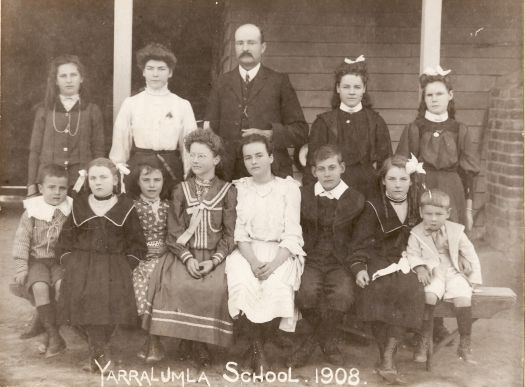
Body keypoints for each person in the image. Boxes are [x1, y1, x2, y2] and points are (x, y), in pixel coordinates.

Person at [143, 129, 237, 368]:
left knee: (216, 289)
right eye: (192, 156)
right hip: (183, 253)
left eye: (201, 156)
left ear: (216, 159)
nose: (195, 160)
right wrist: (187, 258)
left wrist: (214, 260)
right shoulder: (180, 190)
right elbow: (173, 232)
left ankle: (200, 343)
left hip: (216, 256)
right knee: (176, 283)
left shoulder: (228, 191)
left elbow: (230, 233)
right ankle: (189, 341)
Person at [56, 158, 146, 373]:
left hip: (114, 266)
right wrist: (70, 263)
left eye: (103, 177)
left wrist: (126, 266)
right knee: (81, 296)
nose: (98, 182)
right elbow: (65, 240)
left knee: (107, 298)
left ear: (115, 180)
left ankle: (97, 353)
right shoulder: (80, 205)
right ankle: (101, 351)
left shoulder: (125, 207)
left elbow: (137, 244)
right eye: (93, 178)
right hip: (82, 264)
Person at [225, 134, 305, 373]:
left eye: (259, 155)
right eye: (248, 157)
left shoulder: (288, 188)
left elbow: (292, 233)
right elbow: (239, 234)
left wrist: (272, 264)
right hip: (247, 251)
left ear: (271, 157)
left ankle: (257, 346)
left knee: (276, 285)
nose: (254, 161)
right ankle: (258, 350)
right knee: (242, 283)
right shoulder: (239, 188)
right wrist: (253, 262)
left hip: (281, 251)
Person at [349, 155, 426, 384]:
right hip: (379, 259)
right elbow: (360, 242)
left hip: (410, 259)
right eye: (392, 178)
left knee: (410, 287)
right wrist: (359, 267)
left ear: (411, 181)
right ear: (383, 181)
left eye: (403, 179)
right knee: (378, 287)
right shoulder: (373, 206)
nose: (398, 184)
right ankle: (386, 351)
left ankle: (389, 351)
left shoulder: (418, 205)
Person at [288, 144, 364, 368]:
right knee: (304, 294)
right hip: (311, 258)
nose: (327, 173)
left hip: (341, 260)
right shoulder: (304, 195)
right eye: (321, 169)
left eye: (332, 167)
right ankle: (327, 340)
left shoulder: (355, 199)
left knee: (342, 295)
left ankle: (312, 342)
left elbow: (359, 238)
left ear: (342, 168)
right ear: (313, 172)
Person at [204, 23, 308, 180]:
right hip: (229, 174)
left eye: (251, 43)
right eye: (240, 43)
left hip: (271, 171)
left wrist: (269, 134)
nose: (245, 48)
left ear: (263, 47)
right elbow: (209, 129)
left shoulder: (279, 82)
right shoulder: (221, 83)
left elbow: (300, 130)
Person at [395, 66, 480, 231]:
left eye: (439, 94)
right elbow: (400, 168)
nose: (434, 99)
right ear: (424, 99)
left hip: (453, 193)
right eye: (429, 95)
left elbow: (469, 174)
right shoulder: (414, 128)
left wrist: (468, 210)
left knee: (451, 239)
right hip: (422, 190)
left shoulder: (460, 129)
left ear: (450, 95)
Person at [110, 43, 197, 195]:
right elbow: (120, 145)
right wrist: (120, 179)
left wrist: (189, 177)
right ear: (143, 72)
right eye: (150, 69)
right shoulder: (131, 103)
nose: (155, 74)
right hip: (139, 169)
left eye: (161, 69)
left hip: (170, 169)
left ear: (170, 72)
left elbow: (189, 147)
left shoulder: (182, 105)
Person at [407, 189, 482, 365]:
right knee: (429, 295)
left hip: (452, 270)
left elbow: (469, 252)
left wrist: (474, 278)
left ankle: (465, 343)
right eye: (428, 214)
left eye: (439, 214)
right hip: (433, 272)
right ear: (421, 213)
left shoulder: (456, 231)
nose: (433, 219)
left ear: (448, 213)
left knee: (463, 297)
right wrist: (419, 268)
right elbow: (412, 254)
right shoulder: (416, 233)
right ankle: (424, 340)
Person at [303, 56, 392, 197]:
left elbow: (386, 164)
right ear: (338, 88)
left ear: (364, 89)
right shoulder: (323, 123)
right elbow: (312, 165)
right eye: (346, 87)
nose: (352, 92)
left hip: (368, 191)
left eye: (357, 87)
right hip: (332, 192)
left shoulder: (376, 122)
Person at [12, 164, 72, 358]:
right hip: (38, 260)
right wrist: (21, 267)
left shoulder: (69, 210)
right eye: (51, 187)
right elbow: (22, 241)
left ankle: (47, 334)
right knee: (39, 286)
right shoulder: (31, 211)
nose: (57, 193)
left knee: (62, 286)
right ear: (41, 187)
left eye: (62, 188)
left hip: (60, 261)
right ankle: (54, 336)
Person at [27, 55, 105, 197]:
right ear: (56, 81)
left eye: (73, 75)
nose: (69, 80)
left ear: (81, 78)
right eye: (63, 76)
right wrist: (31, 184)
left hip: (80, 183)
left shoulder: (92, 110)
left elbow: (98, 151)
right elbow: (35, 151)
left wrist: (96, 181)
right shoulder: (44, 111)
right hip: (50, 182)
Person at [130, 157, 170, 363]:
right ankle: (152, 339)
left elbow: (174, 235)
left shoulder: (169, 207)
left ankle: (153, 341)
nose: (152, 185)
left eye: (157, 180)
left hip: (167, 258)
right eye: (146, 180)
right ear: (138, 181)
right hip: (142, 258)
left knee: (160, 280)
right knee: (143, 280)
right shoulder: (132, 207)